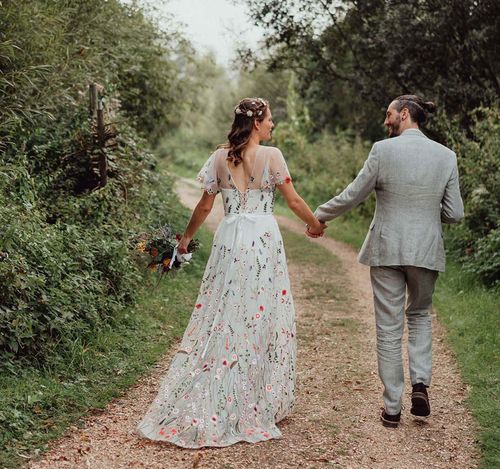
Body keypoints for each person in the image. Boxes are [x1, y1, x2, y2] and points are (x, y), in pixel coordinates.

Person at [137, 97, 324, 448]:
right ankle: (252, 394)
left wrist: (185, 240)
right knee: (259, 313)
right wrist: (314, 225)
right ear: (257, 123)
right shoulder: (273, 156)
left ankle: (224, 383)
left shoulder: (220, 157)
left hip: (230, 240)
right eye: (269, 120)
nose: (272, 126)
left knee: (226, 312)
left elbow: (206, 204)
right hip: (263, 240)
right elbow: (294, 201)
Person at [308, 95, 464, 427]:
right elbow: (455, 213)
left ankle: (392, 408)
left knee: (389, 327)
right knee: (420, 315)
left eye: (389, 114)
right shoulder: (447, 156)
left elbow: (354, 193)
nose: (385, 120)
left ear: (404, 114)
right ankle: (420, 383)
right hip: (425, 250)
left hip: (387, 248)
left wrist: (318, 216)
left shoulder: (383, 150)